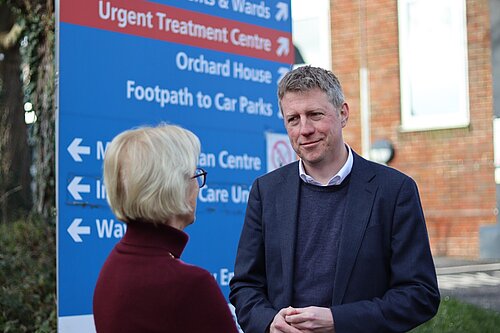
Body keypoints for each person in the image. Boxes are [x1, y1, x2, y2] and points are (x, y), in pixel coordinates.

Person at [229, 66, 440, 333]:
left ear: (343, 113)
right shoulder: (266, 191)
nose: (304, 129)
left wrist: (338, 320)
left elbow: (420, 294)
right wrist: (269, 323)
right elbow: (245, 285)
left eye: (315, 115)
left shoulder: (394, 191)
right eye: (293, 119)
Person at [93, 124, 238, 333]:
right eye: (194, 175)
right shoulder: (192, 286)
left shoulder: (113, 266)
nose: (198, 186)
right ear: (173, 187)